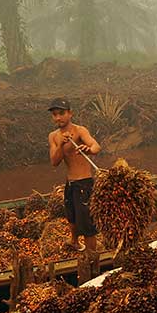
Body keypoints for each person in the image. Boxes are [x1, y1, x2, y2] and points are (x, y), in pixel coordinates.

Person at [47, 97, 102, 254]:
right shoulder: (53, 136)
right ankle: (74, 242)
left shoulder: (79, 131)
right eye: (55, 114)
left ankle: (91, 255)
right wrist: (61, 144)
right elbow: (54, 161)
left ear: (70, 113)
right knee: (71, 216)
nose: (58, 117)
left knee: (87, 224)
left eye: (61, 113)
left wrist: (88, 150)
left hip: (84, 183)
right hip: (70, 182)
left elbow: (96, 146)